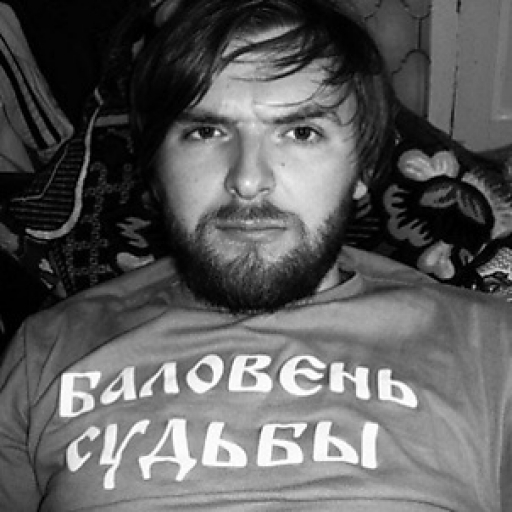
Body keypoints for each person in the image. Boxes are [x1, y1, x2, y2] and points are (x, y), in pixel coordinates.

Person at [0, 0, 511, 510]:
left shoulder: (488, 346)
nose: (248, 180)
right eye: (206, 132)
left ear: (363, 171)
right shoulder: (46, 350)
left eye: (301, 132)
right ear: (155, 169)